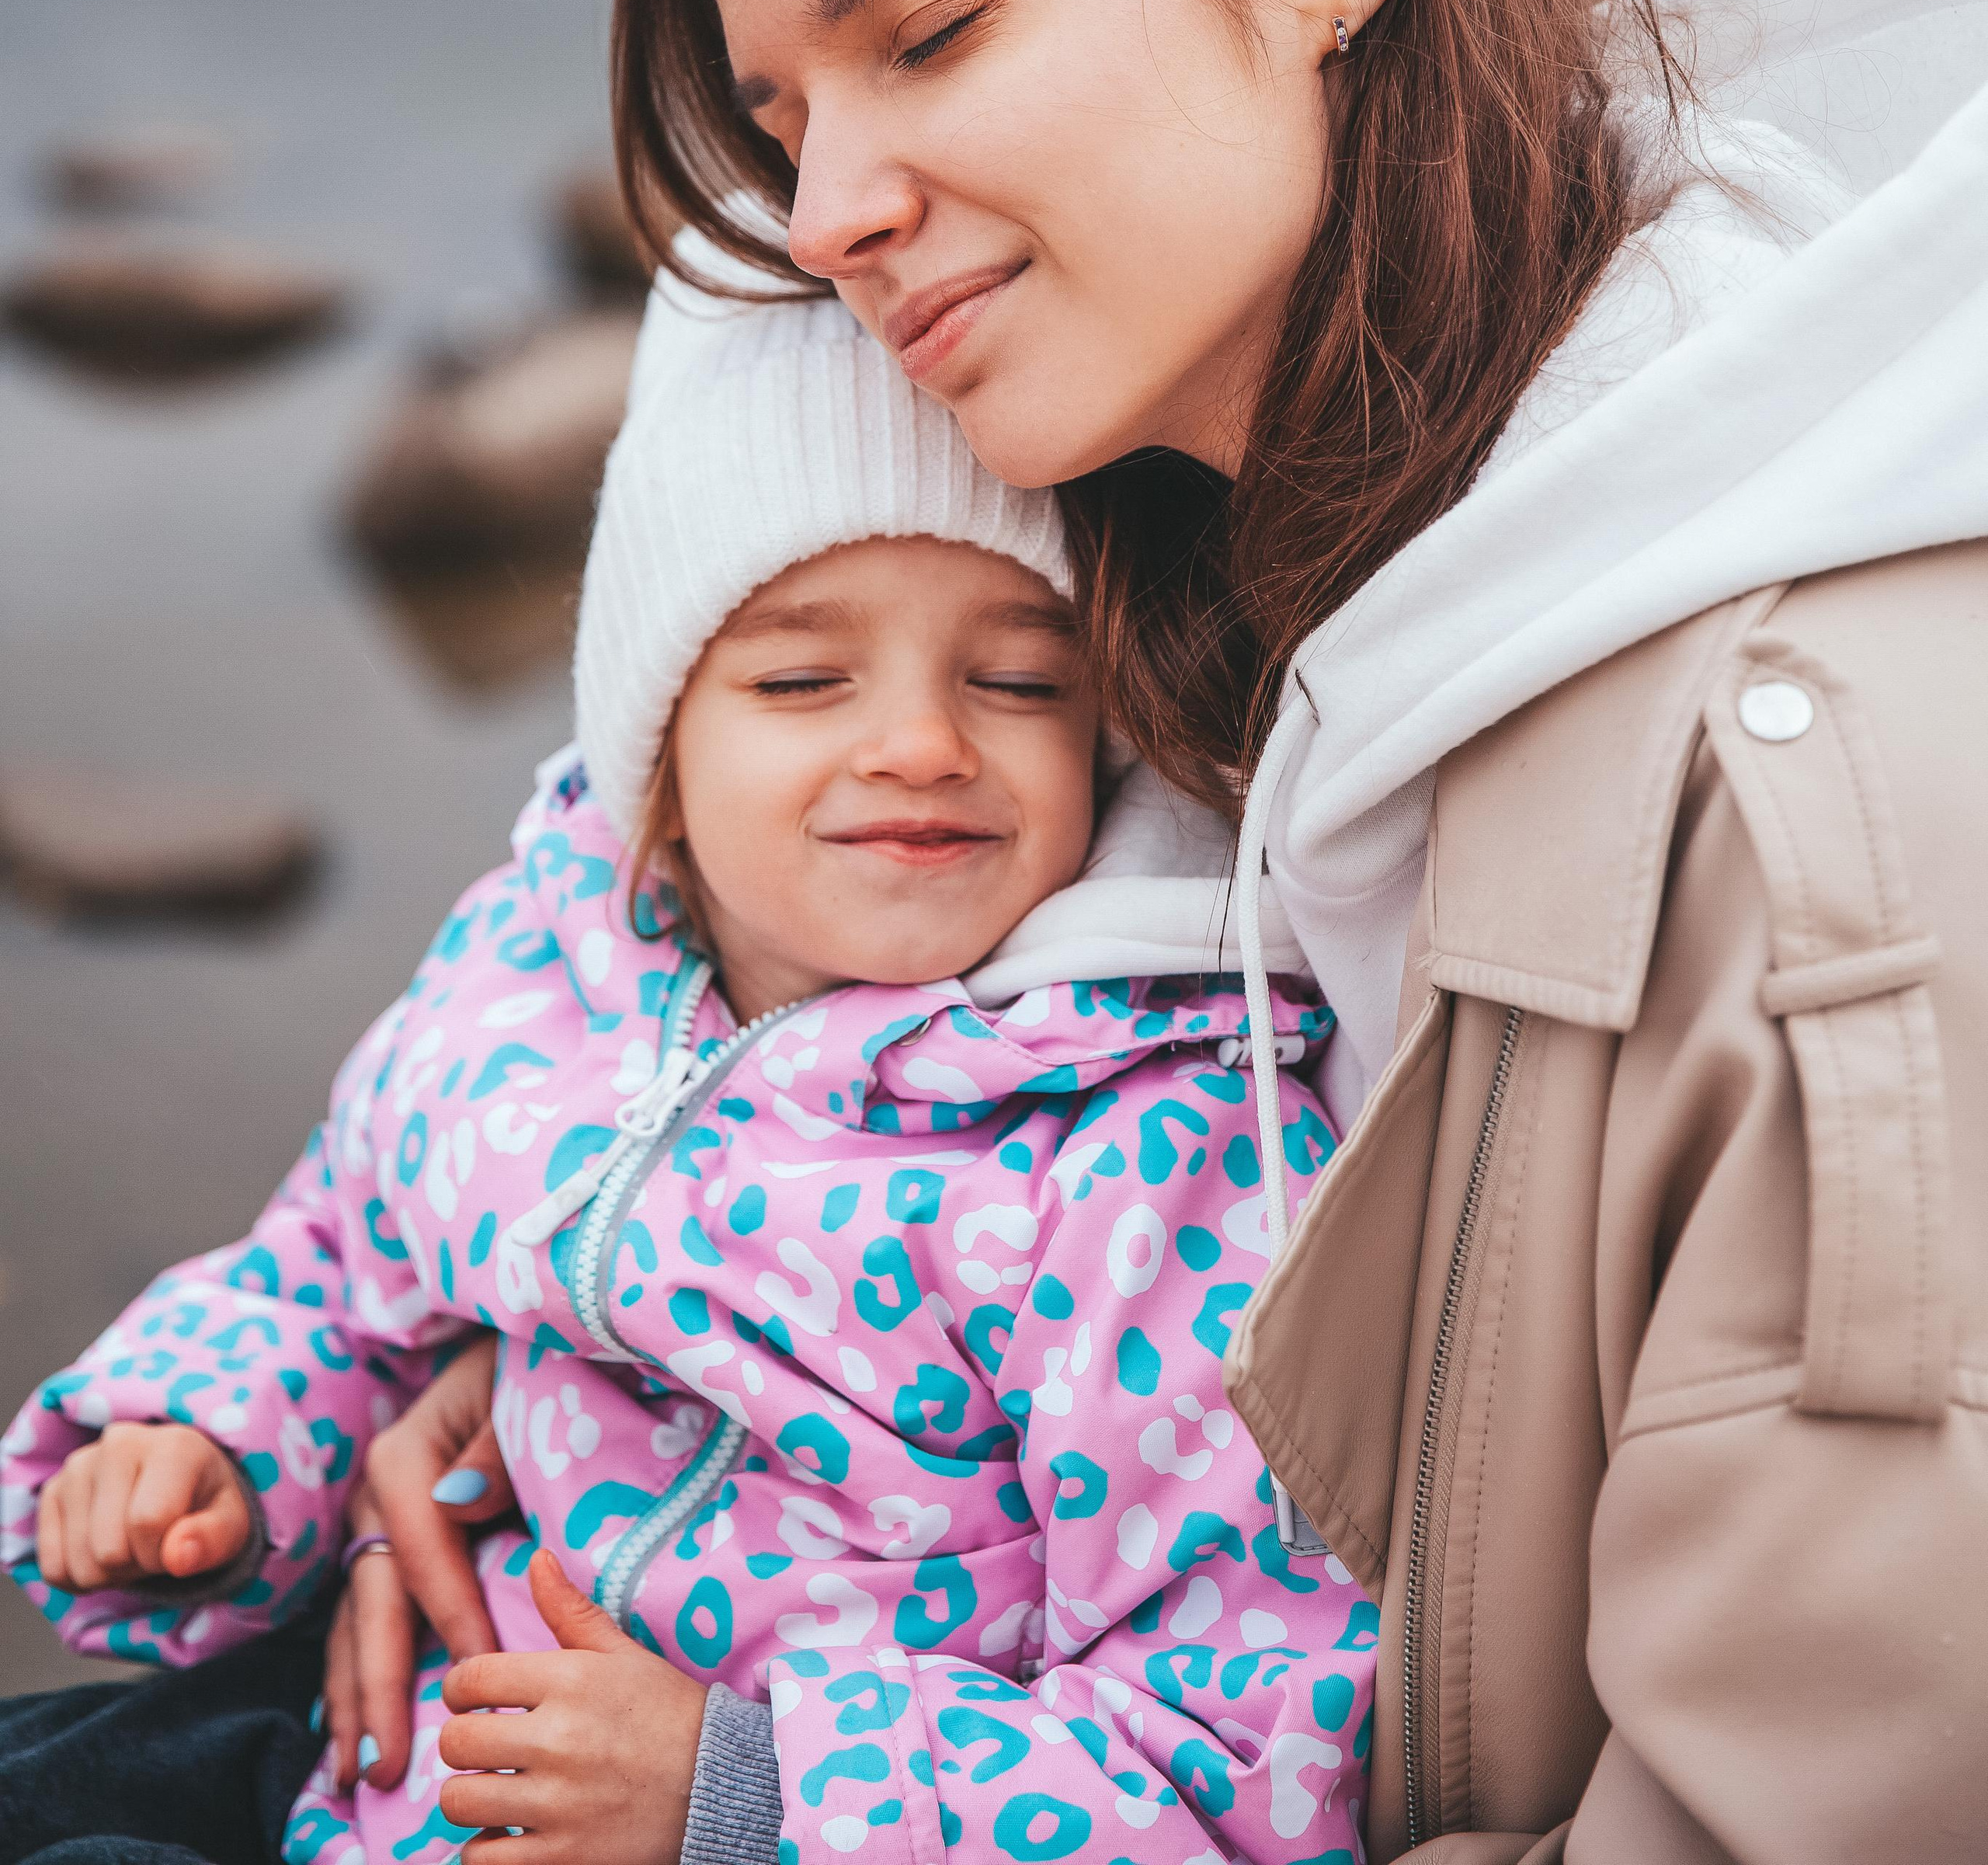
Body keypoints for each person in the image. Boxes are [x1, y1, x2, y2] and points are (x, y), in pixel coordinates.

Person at [593, 0, 1988, 1860]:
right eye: (784, 128)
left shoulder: (1814, 809)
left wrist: (766, 1805)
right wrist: (572, 1340)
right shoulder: (1258, 637)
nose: (826, 211)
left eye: (929, 30)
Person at [2, 287, 1371, 1865]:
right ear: (650, 756)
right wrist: (208, 1443)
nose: (922, 742)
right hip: (379, 1766)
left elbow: (1239, 1754)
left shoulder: (1149, 1154)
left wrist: (742, 1791)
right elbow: (335, 1261)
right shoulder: (541, 964)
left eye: (1017, 681)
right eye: (801, 684)